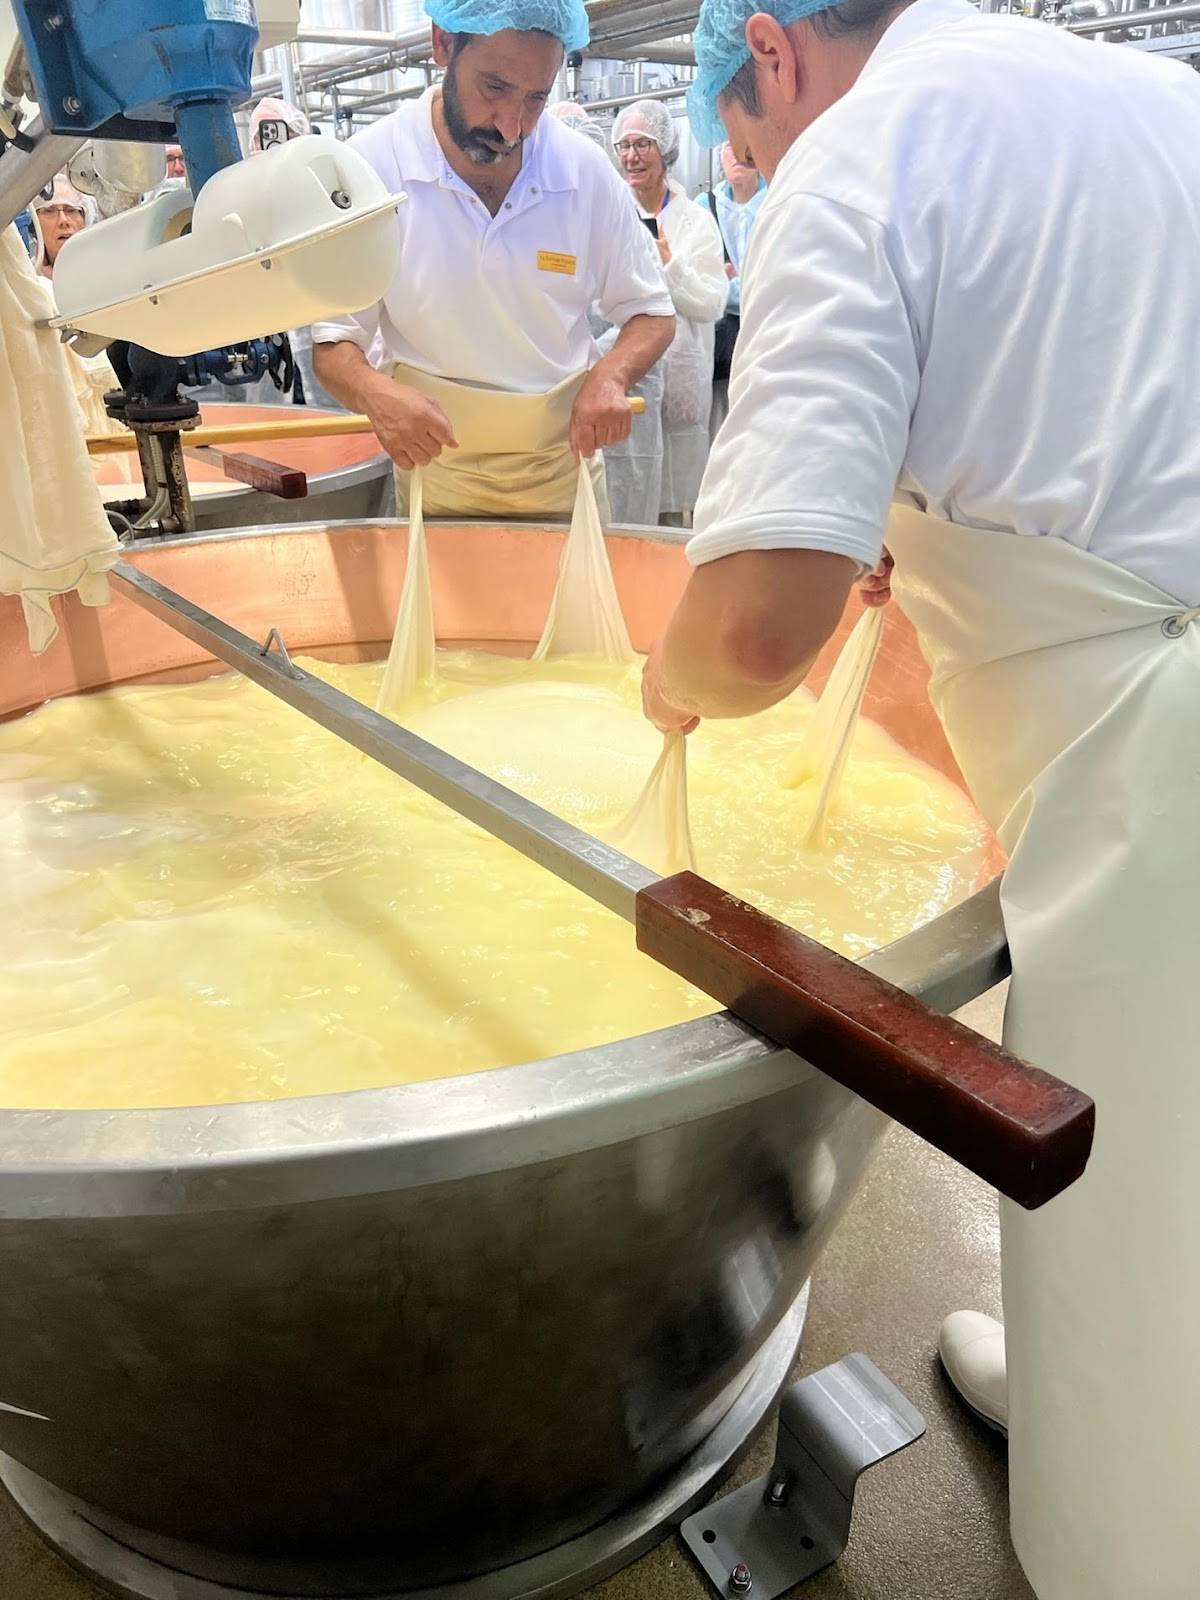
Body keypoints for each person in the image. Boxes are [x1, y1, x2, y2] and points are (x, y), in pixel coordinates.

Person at [640, 1, 1200, 1597]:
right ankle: (1075, 1383)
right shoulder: (1137, 96)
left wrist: (672, 686)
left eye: (743, 154)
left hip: (1165, 768)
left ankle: (1127, 1540)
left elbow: (757, 626)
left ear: (771, 54)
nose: (756, 181)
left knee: (1152, 1136)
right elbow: (1096, 419)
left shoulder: (860, 152)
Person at [312, 0, 675, 519]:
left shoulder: (584, 173)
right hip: (435, 473)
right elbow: (333, 344)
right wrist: (376, 395)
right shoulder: (372, 168)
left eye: (536, 99)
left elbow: (652, 313)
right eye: (494, 88)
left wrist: (611, 376)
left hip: (561, 472)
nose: (511, 127)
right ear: (443, 43)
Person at [612, 99, 726, 526]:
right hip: (629, 381)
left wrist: (670, 267)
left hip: (680, 380)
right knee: (626, 500)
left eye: (643, 144)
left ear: (665, 151)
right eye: (624, 144)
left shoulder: (696, 221)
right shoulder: (612, 213)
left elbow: (712, 301)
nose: (632, 155)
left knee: (674, 511)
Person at [703, 140, 767, 436]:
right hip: (719, 356)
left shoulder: (777, 203)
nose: (738, 152)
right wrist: (742, 287)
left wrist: (723, 287)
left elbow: (771, 287)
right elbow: (696, 285)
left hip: (768, 345)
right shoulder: (704, 209)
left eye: (743, 142)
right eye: (728, 144)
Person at [29, 176, 89, 279]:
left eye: (71, 210)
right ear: (34, 226)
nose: (63, 220)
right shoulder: (26, 281)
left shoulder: (106, 269)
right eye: (49, 211)